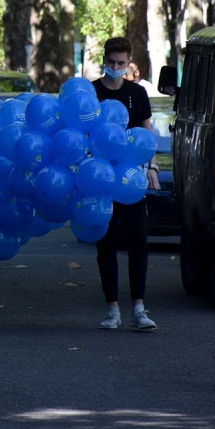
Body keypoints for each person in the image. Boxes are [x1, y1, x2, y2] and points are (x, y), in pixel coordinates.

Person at [93, 37, 160, 331]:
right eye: (111, 62)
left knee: (138, 241)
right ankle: (112, 310)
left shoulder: (137, 93)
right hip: (99, 179)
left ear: (129, 63)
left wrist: (152, 167)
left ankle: (139, 309)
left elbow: (146, 133)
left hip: (132, 180)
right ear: (104, 60)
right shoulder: (92, 92)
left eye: (121, 63)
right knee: (106, 245)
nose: (115, 67)